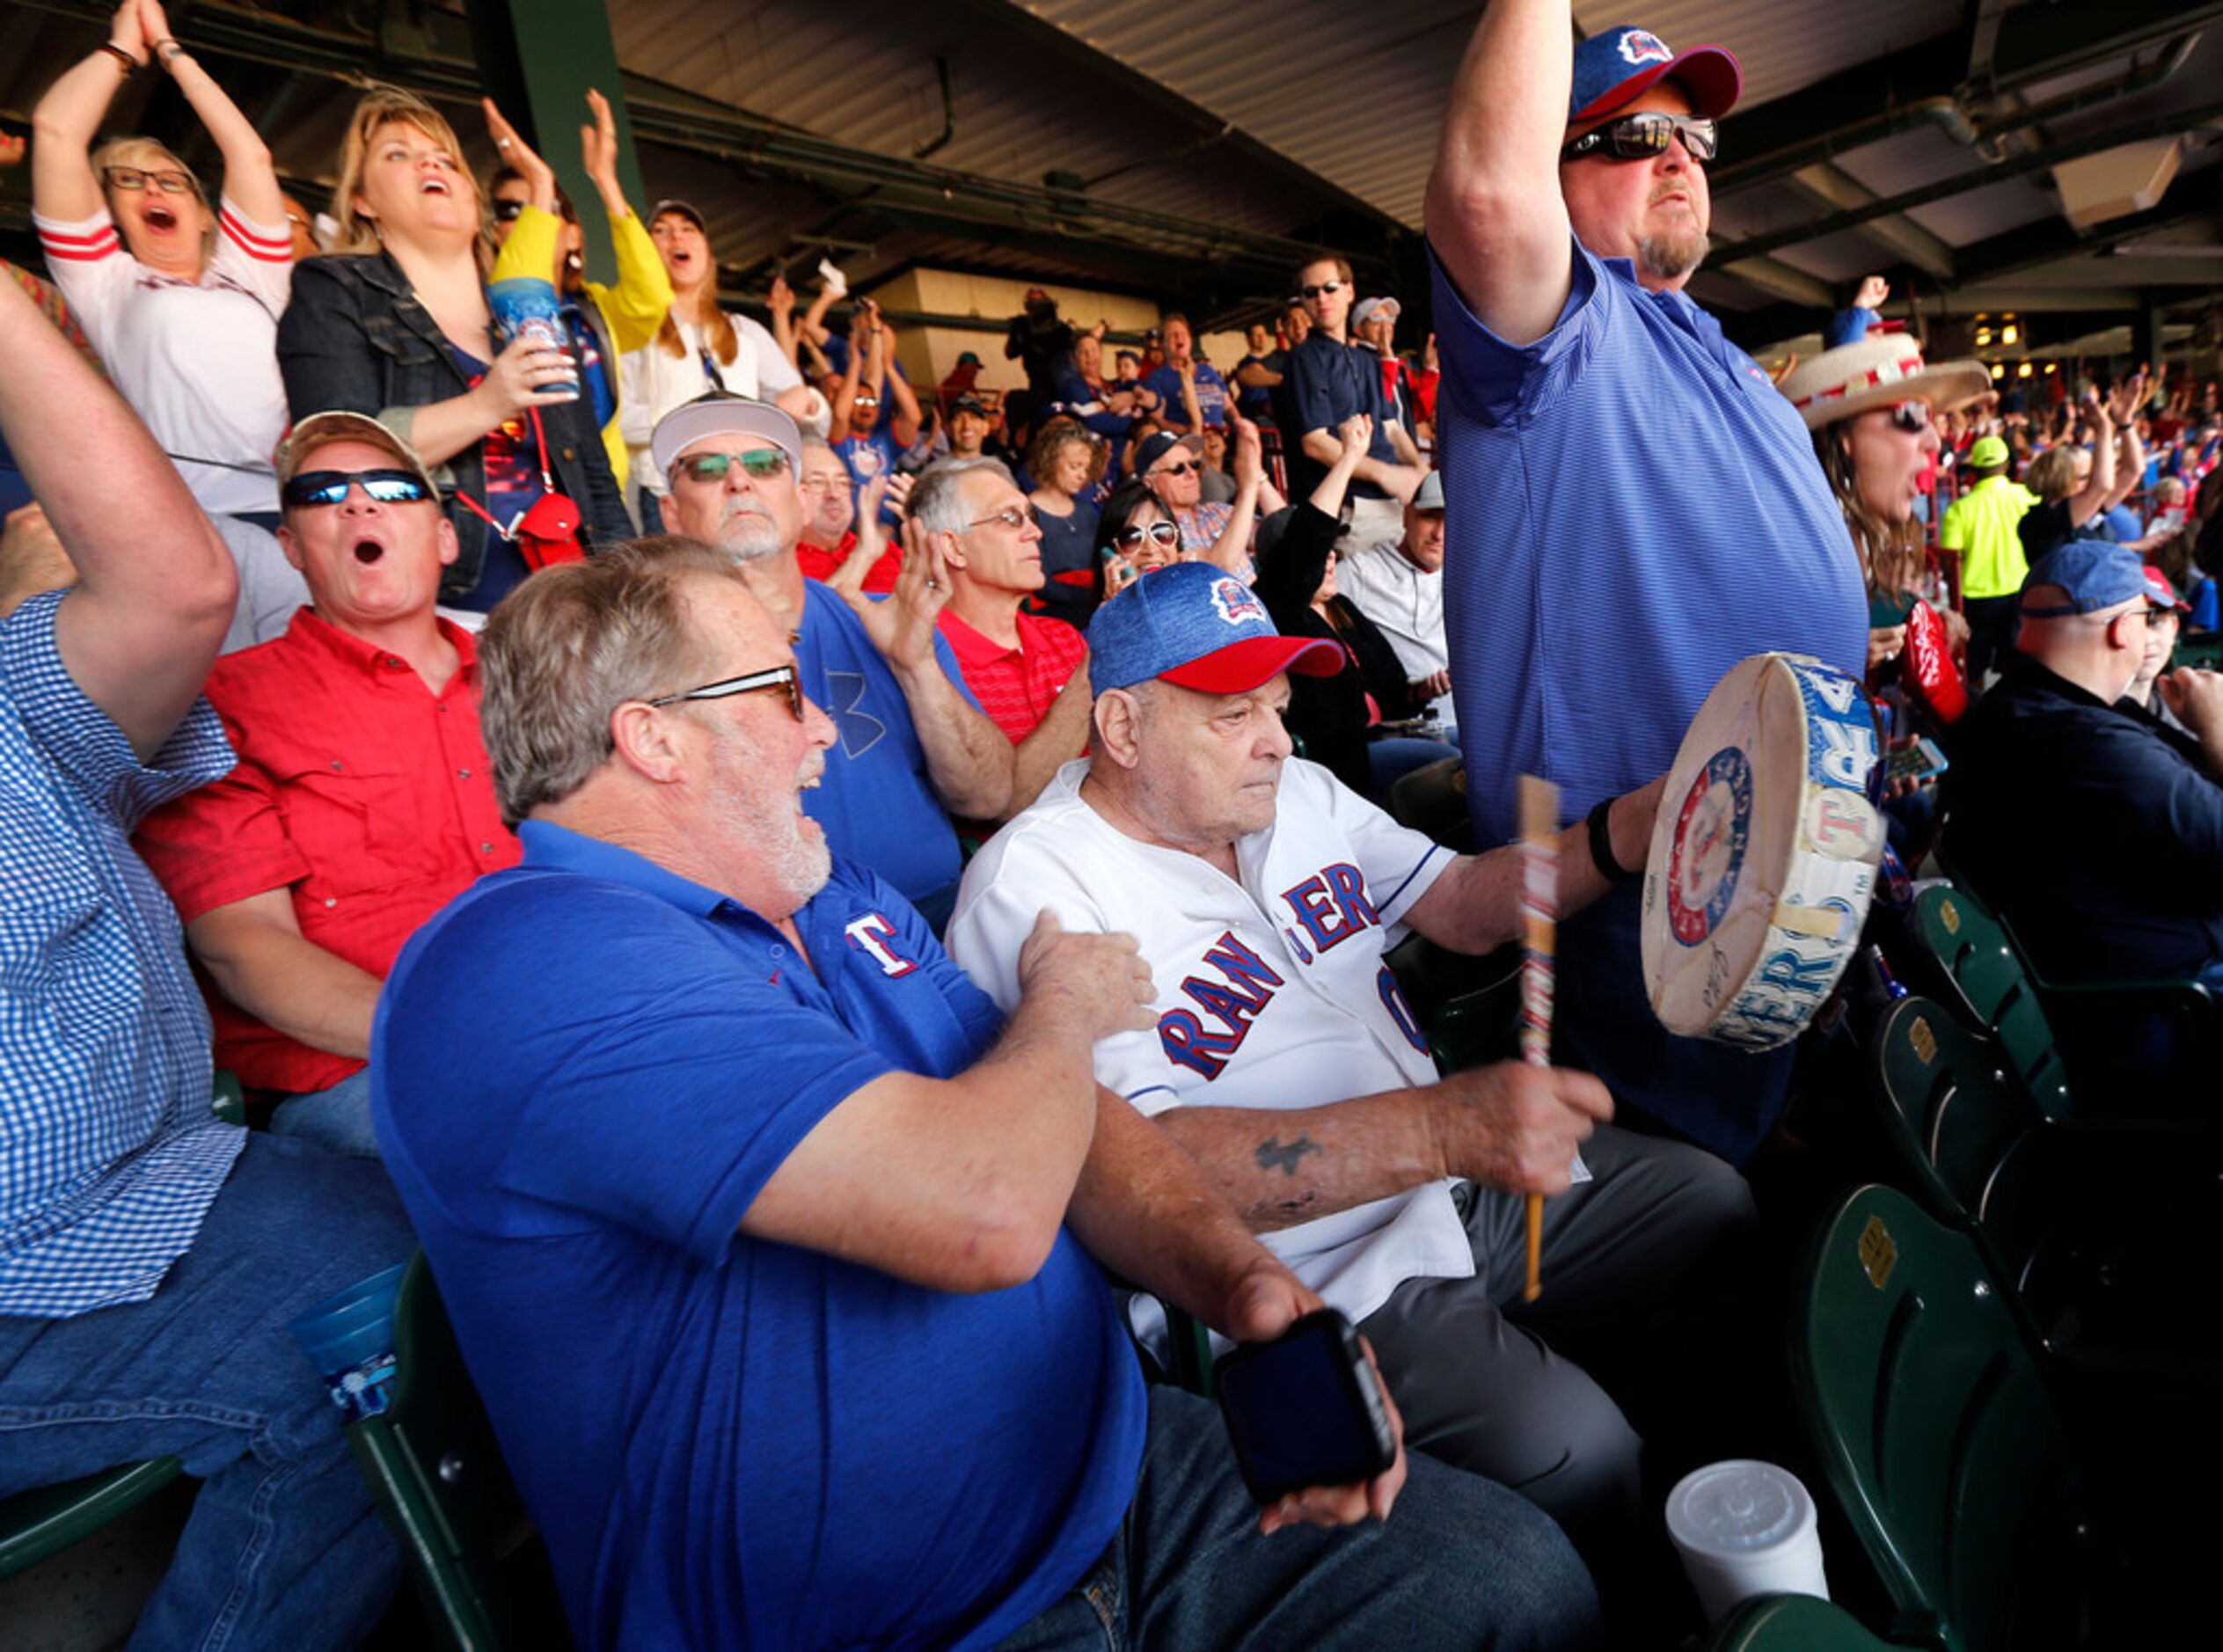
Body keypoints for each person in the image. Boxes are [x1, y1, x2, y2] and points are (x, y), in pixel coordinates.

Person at [371, 540, 1603, 1652]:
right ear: (651, 736)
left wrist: (1240, 1282)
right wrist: (1061, 1005)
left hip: (1116, 1469)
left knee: (1515, 1583)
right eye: (784, 692)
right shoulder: (528, 958)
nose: (822, 737)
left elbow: (1082, 1133)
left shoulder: (837, 900)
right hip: (893, 1615)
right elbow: (986, 1206)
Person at [946, 559, 1757, 1583]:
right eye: (1233, 713)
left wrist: (1621, 834)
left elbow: (1461, 902)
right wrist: (1441, 1129)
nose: (1277, 741)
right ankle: (1634, 1593)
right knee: (1575, 1453)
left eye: (1277, 708)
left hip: (1458, 1188)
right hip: (1311, 1278)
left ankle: (1696, 1484)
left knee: (1713, 1206)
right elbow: (1138, 1170)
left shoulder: (1299, 794)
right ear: (1121, 729)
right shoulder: (1037, 886)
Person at [0, 243, 410, 1652]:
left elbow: (163, 579)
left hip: (158, 1184)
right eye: (331, 498)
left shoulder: (16, 704)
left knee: (452, 1217)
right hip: (24, 1269)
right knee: (353, 1331)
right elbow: (256, 960)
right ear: (288, 544)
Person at [1423, 6, 1868, 1164]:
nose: (1677, 156)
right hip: (1643, 893)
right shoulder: (1548, 335)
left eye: (1693, 139)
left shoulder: (1707, 340)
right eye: (1630, 137)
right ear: (1551, 172)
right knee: (1704, 1246)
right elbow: (1479, 195)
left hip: (1798, 849)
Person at [133, 410, 518, 1158]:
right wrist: (461, 1045)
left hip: (571, 1024)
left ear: (445, 538)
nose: (358, 503)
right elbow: (244, 947)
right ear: (291, 550)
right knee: (545, 1149)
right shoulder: (220, 704)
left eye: (392, 488)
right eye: (320, 492)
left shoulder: (530, 679)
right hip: (358, 1068)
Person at [651, 394, 1013, 927]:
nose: (739, 481)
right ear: (671, 513)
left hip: (942, 916)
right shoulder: (649, 655)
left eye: (764, 464)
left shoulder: (885, 621)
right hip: (783, 944)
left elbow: (988, 794)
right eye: (705, 469)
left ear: (800, 501)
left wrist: (918, 668)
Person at [278, 88, 633, 615]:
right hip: (441, 611)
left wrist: (630, 596)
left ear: (472, 202)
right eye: (398, 154)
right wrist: (486, 405)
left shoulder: (525, 310)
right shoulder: (333, 288)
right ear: (362, 201)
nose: (429, 162)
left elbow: (595, 478)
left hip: (573, 606)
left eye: (447, 159)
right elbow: (331, 453)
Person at [32, 0, 307, 653]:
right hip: (190, 528)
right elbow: (54, 130)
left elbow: (251, 155)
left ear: (206, 211)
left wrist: (175, 54)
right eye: (129, 180)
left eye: (172, 180)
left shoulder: (255, 273)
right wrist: (124, 47)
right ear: (111, 208)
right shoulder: (107, 282)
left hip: (294, 521)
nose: (153, 189)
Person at [1942, 540, 2223, 990]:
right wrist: (2219, 731)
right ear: (2122, 631)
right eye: (2145, 617)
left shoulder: (2022, 705)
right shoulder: (2090, 742)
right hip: (2163, 996)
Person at [1253, 415, 1460, 797]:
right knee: (1461, 770)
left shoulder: (1341, 608)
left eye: (1331, 552)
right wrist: (1348, 458)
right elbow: (1306, 544)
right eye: (1320, 556)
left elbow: (1392, 689)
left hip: (1394, 732)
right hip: (1340, 762)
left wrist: (1422, 691)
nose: (1330, 559)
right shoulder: (1283, 613)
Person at [487, 90, 672, 511]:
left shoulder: (593, 309)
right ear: (495, 231)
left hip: (606, 493)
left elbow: (650, 300)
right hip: (527, 497)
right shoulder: (487, 307)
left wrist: (606, 181)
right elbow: (521, 292)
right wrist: (541, 185)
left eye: (544, 206)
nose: (527, 217)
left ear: (573, 234)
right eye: (510, 210)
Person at [1776, 336, 1985, 682]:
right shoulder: (1791, 561)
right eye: (1913, 416)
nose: (1934, 440)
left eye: (1931, 417)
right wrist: (1836, 662)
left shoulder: (1867, 541)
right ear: (1843, 440)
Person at [619, 199, 821, 517]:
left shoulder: (744, 329)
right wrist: (708, 420)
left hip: (747, 488)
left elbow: (798, 400)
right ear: (644, 253)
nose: (677, 238)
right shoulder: (631, 332)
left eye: (689, 230)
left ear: (707, 252)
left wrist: (809, 400)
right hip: (673, 493)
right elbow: (621, 417)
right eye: (661, 231)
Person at [914, 458, 1093, 815]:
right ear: (954, 548)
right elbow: (1003, 809)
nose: (1035, 533)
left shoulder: (1064, 637)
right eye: (1011, 519)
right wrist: (1094, 672)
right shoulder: (927, 662)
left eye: (1030, 517)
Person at [1281, 256, 1428, 549]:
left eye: (1330, 287)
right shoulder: (1304, 359)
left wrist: (1418, 470)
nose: (1321, 298)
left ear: (1349, 292)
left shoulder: (1369, 361)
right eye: (1311, 292)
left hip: (1395, 501)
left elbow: (1391, 429)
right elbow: (1315, 443)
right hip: (1351, 507)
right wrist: (1388, 475)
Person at [1330, 467, 1457, 733]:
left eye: (1451, 520)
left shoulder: (1469, 577)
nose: (1439, 533)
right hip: (1403, 726)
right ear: (1407, 515)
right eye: (1430, 517)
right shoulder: (1360, 573)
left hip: (1468, 721)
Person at [1940, 433, 2042, 683]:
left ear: (1974, 469)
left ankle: (1977, 717)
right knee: (2017, 669)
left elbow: (1949, 560)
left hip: (1977, 602)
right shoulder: (2027, 498)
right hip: (2021, 593)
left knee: (1973, 670)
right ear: (2006, 465)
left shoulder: (1959, 510)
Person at [2018, 378, 2146, 567]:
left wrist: (2125, 422)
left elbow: (2133, 470)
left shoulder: (2088, 507)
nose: (2095, 479)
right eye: (2086, 476)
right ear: (2061, 480)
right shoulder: (2043, 521)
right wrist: (2103, 429)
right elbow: (2102, 486)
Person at [1023, 416, 1105, 630]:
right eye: (1075, 466)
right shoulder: (1028, 512)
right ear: (1050, 461)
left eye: (1085, 468)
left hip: (1093, 607)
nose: (1082, 475)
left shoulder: (1087, 511)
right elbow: (1042, 583)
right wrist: (1093, 596)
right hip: (1054, 616)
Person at [793, 433, 898, 593]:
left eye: (842, 483)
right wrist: (863, 556)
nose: (834, 494)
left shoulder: (885, 549)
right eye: (818, 482)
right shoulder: (779, 561)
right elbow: (810, 617)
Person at [1141, 312, 1233, 437]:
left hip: (1217, 445)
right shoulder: (1158, 378)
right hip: (1185, 447)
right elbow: (1155, 419)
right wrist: (1183, 430)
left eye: (1183, 333)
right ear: (1163, 345)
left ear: (1190, 339)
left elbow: (1228, 408)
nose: (1179, 336)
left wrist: (1240, 424)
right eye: (1173, 334)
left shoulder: (1208, 370)